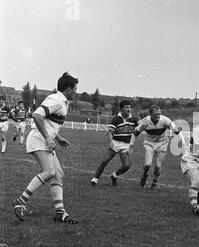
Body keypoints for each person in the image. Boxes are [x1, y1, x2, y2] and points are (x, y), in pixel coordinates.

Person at [12, 72, 78, 223]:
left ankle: (60, 212)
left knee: (58, 174)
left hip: (43, 139)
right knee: (49, 172)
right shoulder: (56, 99)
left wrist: (58, 138)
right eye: (75, 88)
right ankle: (20, 202)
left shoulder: (63, 102)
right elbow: (37, 116)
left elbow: (48, 123)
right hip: (38, 139)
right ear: (68, 89)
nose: (76, 91)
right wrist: (48, 138)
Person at [91, 100, 138, 186]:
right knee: (104, 161)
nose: (129, 109)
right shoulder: (116, 119)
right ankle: (95, 179)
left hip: (126, 145)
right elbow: (110, 132)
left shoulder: (134, 119)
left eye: (130, 107)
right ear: (121, 109)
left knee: (127, 166)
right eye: (126, 107)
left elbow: (141, 126)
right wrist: (110, 142)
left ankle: (114, 175)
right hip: (115, 143)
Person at [133, 105, 180, 189]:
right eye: (155, 114)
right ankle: (144, 175)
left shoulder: (165, 120)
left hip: (162, 143)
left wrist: (183, 144)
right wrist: (131, 145)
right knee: (147, 164)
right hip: (149, 143)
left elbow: (177, 132)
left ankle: (154, 182)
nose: (158, 116)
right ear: (150, 115)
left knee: (158, 166)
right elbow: (135, 133)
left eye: (159, 114)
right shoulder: (145, 122)